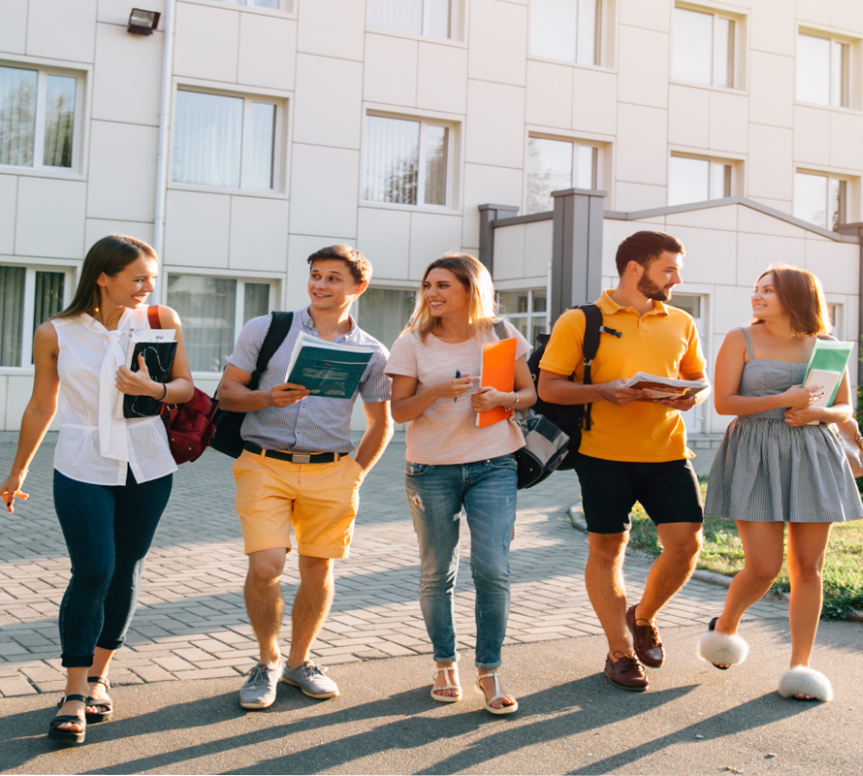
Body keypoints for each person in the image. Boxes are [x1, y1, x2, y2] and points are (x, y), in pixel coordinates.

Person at [1, 235, 194, 744]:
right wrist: (18, 469)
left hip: (148, 462)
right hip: (82, 462)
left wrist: (151, 390)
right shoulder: (55, 333)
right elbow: (42, 405)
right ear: (102, 276)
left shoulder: (160, 320)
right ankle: (71, 690)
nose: (147, 287)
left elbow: (185, 387)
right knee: (93, 570)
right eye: (138, 277)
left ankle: (99, 677)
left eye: (151, 277)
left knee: (126, 569)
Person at [215, 245, 393, 710]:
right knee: (266, 566)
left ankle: (299, 662)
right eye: (316, 275)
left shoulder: (373, 352)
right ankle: (266, 660)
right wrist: (266, 399)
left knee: (318, 568)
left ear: (358, 287)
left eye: (334, 278)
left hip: (332, 470)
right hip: (263, 463)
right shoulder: (267, 329)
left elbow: (381, 423)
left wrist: (355, 474)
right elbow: (227, 393)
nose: (320, 285)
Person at [536, 231, 708, 692]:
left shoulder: (681, 322)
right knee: (607, 549)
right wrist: (604, 391)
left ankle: (643, 615)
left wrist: (687, 397)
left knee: (686, 545)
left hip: (668, 452)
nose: (676, 278)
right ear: (636, 268)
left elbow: (696, 377)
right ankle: (619, 650)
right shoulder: (580, 321)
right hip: (602, 455)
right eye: (668, 268)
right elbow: (548, 387)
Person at [697, 265, 863, 702]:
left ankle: (801, 667)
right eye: (756, 289)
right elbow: (723, 402)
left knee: (808, 568)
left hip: (813, 454)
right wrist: (785, 400)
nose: (757, 296)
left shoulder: (825, 347)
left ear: (794, 296)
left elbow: (845, 406)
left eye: (767, 290)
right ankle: (726, 625)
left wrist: (819, 414)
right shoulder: (741, 338)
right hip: (754, 452)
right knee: (764, 567)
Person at [386, 254, 536, 715]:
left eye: (443, 285)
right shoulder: (412, 342)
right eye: (428, 285)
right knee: (438, 572)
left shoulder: (502, 333)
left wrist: (503, 398)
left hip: (493, 465)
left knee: (492, 568)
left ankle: (488, 670)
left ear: (470, 289)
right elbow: (399, 412)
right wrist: (435, 392)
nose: (432, 293)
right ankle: (444, 663)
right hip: (430, 469)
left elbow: (530, 395)